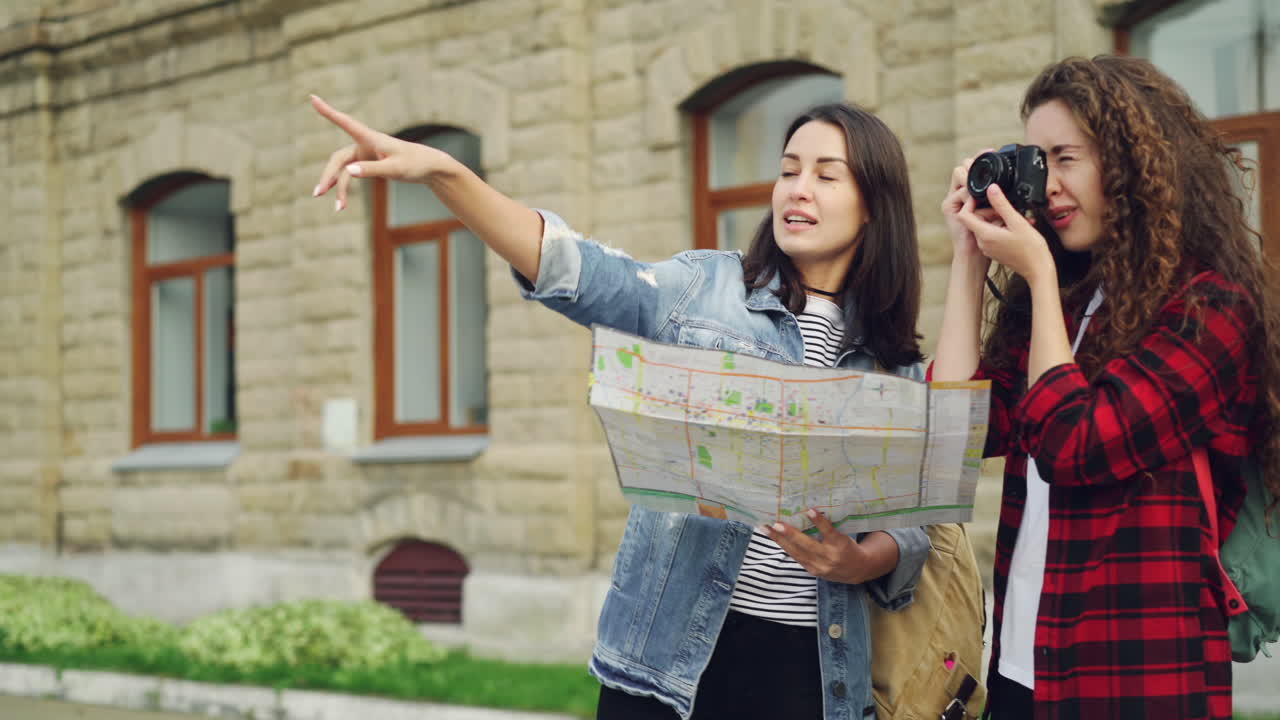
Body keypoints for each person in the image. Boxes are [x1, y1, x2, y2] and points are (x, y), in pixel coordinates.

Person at [309, 96, 931, 720]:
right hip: (669, 666)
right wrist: (448, 173)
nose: (798, 190)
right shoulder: (706, 290)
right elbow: (576, 269)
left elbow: (909, 530)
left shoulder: (889, 357)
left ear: (874, 205)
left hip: (814, 674)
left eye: (826, 176)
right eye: (788, 170)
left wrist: (858, 560)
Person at [932, 55, 1280, 720]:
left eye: (1066, 157)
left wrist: (1034, 274)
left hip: (1137, 679)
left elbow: (1074, 446)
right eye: (1035, 162)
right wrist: (968, 257)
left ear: (1130, 164)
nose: (1048, 186)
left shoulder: (1209, 310)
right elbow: (954, 437)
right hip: (1018, 669)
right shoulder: (1063, 304)